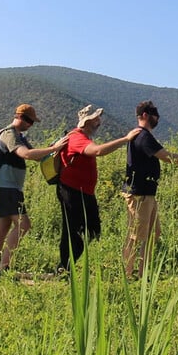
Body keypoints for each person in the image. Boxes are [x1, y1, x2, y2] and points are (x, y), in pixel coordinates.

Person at [122, 100, 178, 279]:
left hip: (147, 193)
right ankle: (127, 275)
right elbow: (168, 157)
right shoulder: (143, 136)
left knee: (153, 233)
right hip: (139, 194)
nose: (158, 119)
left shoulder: (141, 136)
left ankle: (142, 273)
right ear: (146, 115)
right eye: (155, 115)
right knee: (135, 235)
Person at [57, 104, 140, 273]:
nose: (99, 122)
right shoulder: (77, 138)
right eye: (96, 119)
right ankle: (64, 267)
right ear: (88, 122)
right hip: (71, 191)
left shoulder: (83, 137)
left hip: (84, 192)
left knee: (93, 229)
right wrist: (125, 139)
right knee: (73, 230)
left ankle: (68, 265)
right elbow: (98, 151)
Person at [0, 104, 67, 273]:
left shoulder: (19, 136)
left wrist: (54, 148)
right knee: (24, 225)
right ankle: (3, 267)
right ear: (19, 117)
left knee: (4, 225)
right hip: (7, 186)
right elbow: (25, 154)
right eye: (29, 120)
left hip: (9, 186)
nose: (30, 124)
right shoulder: (10, 134)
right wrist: (54, 148)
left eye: (32, 122)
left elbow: (36, 156)